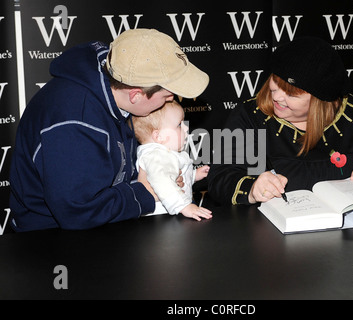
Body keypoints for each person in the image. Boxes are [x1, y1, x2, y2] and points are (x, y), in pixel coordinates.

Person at [9, 28, 209, 232]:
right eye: (167, 95)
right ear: (136, 95)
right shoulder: (74, 122)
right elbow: (77, 212)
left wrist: (160, 177)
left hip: (107, 225)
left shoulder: (117, 77)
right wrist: (145, 193)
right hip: (49, 240)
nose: (172, 99)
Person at [208, 36, 353, 205]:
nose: (276, 96)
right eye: (275, 82)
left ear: (319, 101)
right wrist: (253, 188)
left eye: (291, 93)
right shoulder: (248, 115)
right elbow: (219, 178)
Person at [130, 101, 212, 221]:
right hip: (161, 219)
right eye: (179, 125)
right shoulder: (156, 155)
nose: (186, 127)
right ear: (158, 136)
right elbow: (162, 181)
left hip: (170, 216)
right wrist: (184, 206)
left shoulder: (165, 153)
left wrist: (194, 175)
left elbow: (174, 176)